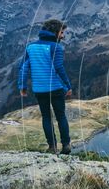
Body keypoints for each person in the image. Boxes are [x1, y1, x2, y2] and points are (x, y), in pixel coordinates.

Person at [17, 18, 73, 154]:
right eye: (61, 32)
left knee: (46, 117)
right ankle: (66, 145)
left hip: (40, 90)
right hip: (56, 88)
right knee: (61, 117)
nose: (63, 35)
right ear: (55, 32)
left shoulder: (30, 47)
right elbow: (59, 68)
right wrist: (68, 86)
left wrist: (22, 86)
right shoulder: (56, 47)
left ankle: (52, 147)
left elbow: (24, 68)